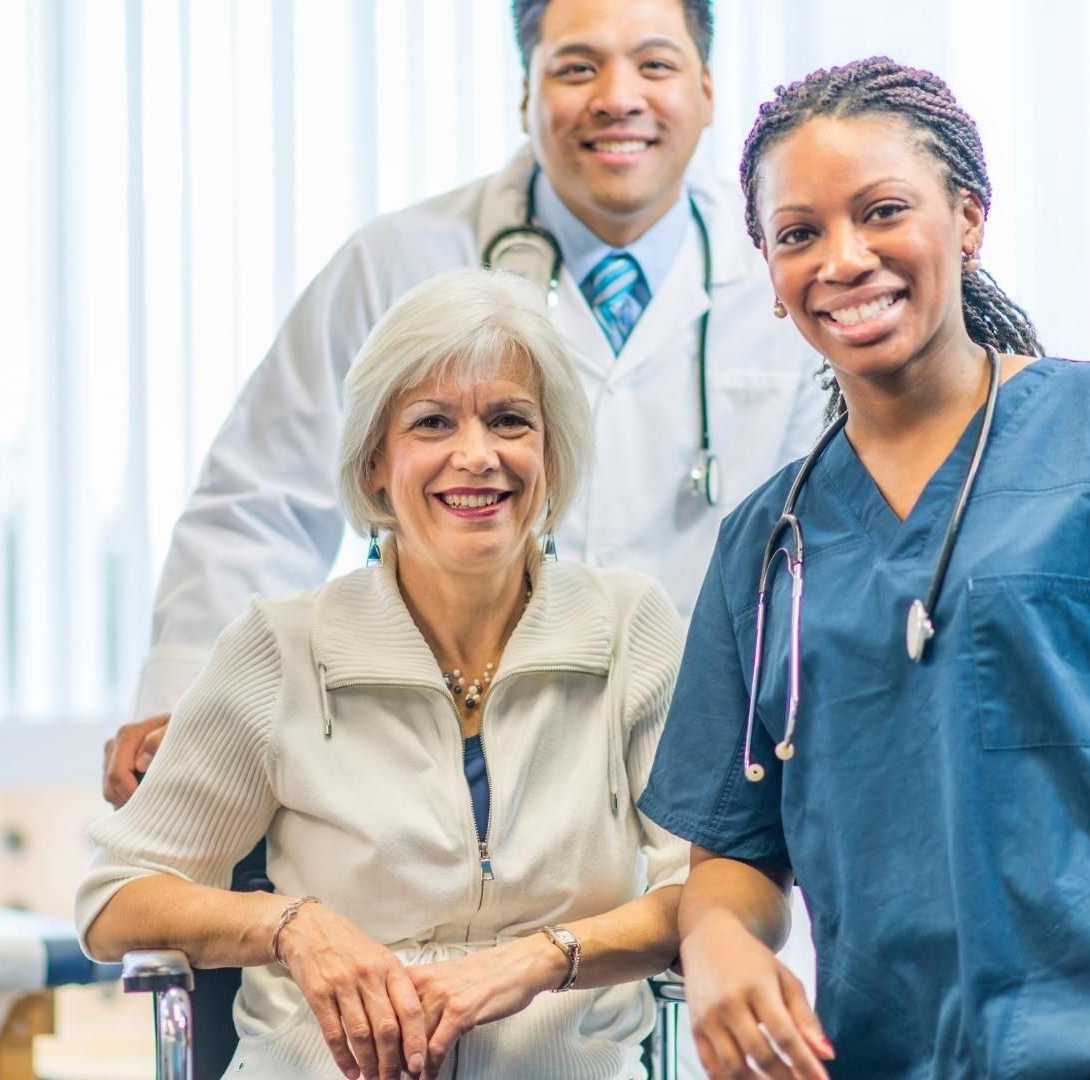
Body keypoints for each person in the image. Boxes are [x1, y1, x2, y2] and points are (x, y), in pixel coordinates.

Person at [638, 57, 1090, 1079]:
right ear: (768, 270)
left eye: (883, 211)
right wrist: (716, 941)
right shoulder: (771, 543)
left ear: (969, 221)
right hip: (890, 1055)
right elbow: (735, 853)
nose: (844, 259)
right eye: (799, 233)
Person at [103, 0, 822, 808]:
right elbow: (260, 503)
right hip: (438, 765)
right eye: (576, 66)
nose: (618, 97)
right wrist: (187, 703)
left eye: (655, 65)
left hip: (699, 758)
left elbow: (816, 558)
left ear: (707, 87)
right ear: (525, 91)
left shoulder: (789, 275)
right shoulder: (398, 260)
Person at [78, 269, 692, 1080]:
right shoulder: (280, 646)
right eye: (432, 423)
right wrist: (291, 925)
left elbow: (718, 889)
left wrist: (544, 958)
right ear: (374, 463)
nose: (476, 456)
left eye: (510, 420)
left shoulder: (628, 629)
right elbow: (116, 898)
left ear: (551, 451)